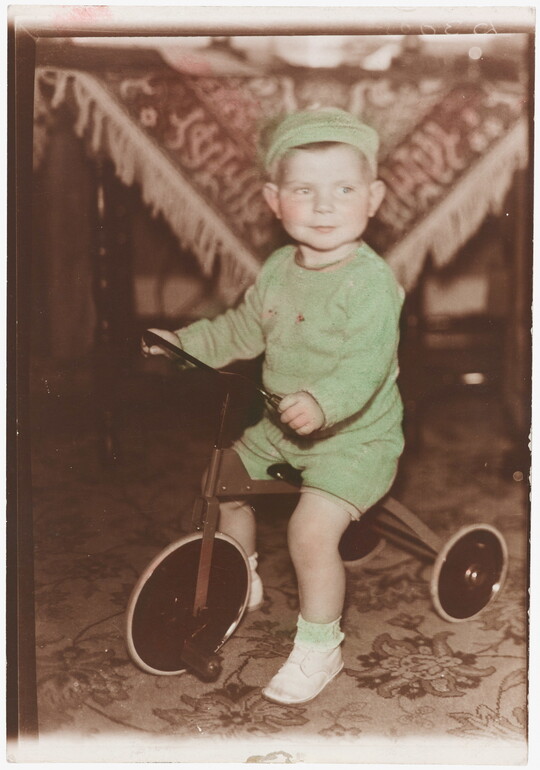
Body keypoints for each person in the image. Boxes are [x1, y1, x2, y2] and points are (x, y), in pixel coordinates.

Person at [142, 108, 405, 705]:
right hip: (282, 427)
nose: (324, 205)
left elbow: (365, 364)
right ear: (273, 201)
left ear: (373, 199)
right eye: (304, 190)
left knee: (310, 533)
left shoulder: (370, 282)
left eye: (344, 190)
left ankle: (320, 648)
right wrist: (183, 343)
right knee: (221, 483)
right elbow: (240, 329)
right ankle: (242, 571)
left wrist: (323, 401)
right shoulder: (279, 270)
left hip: (355, 437)